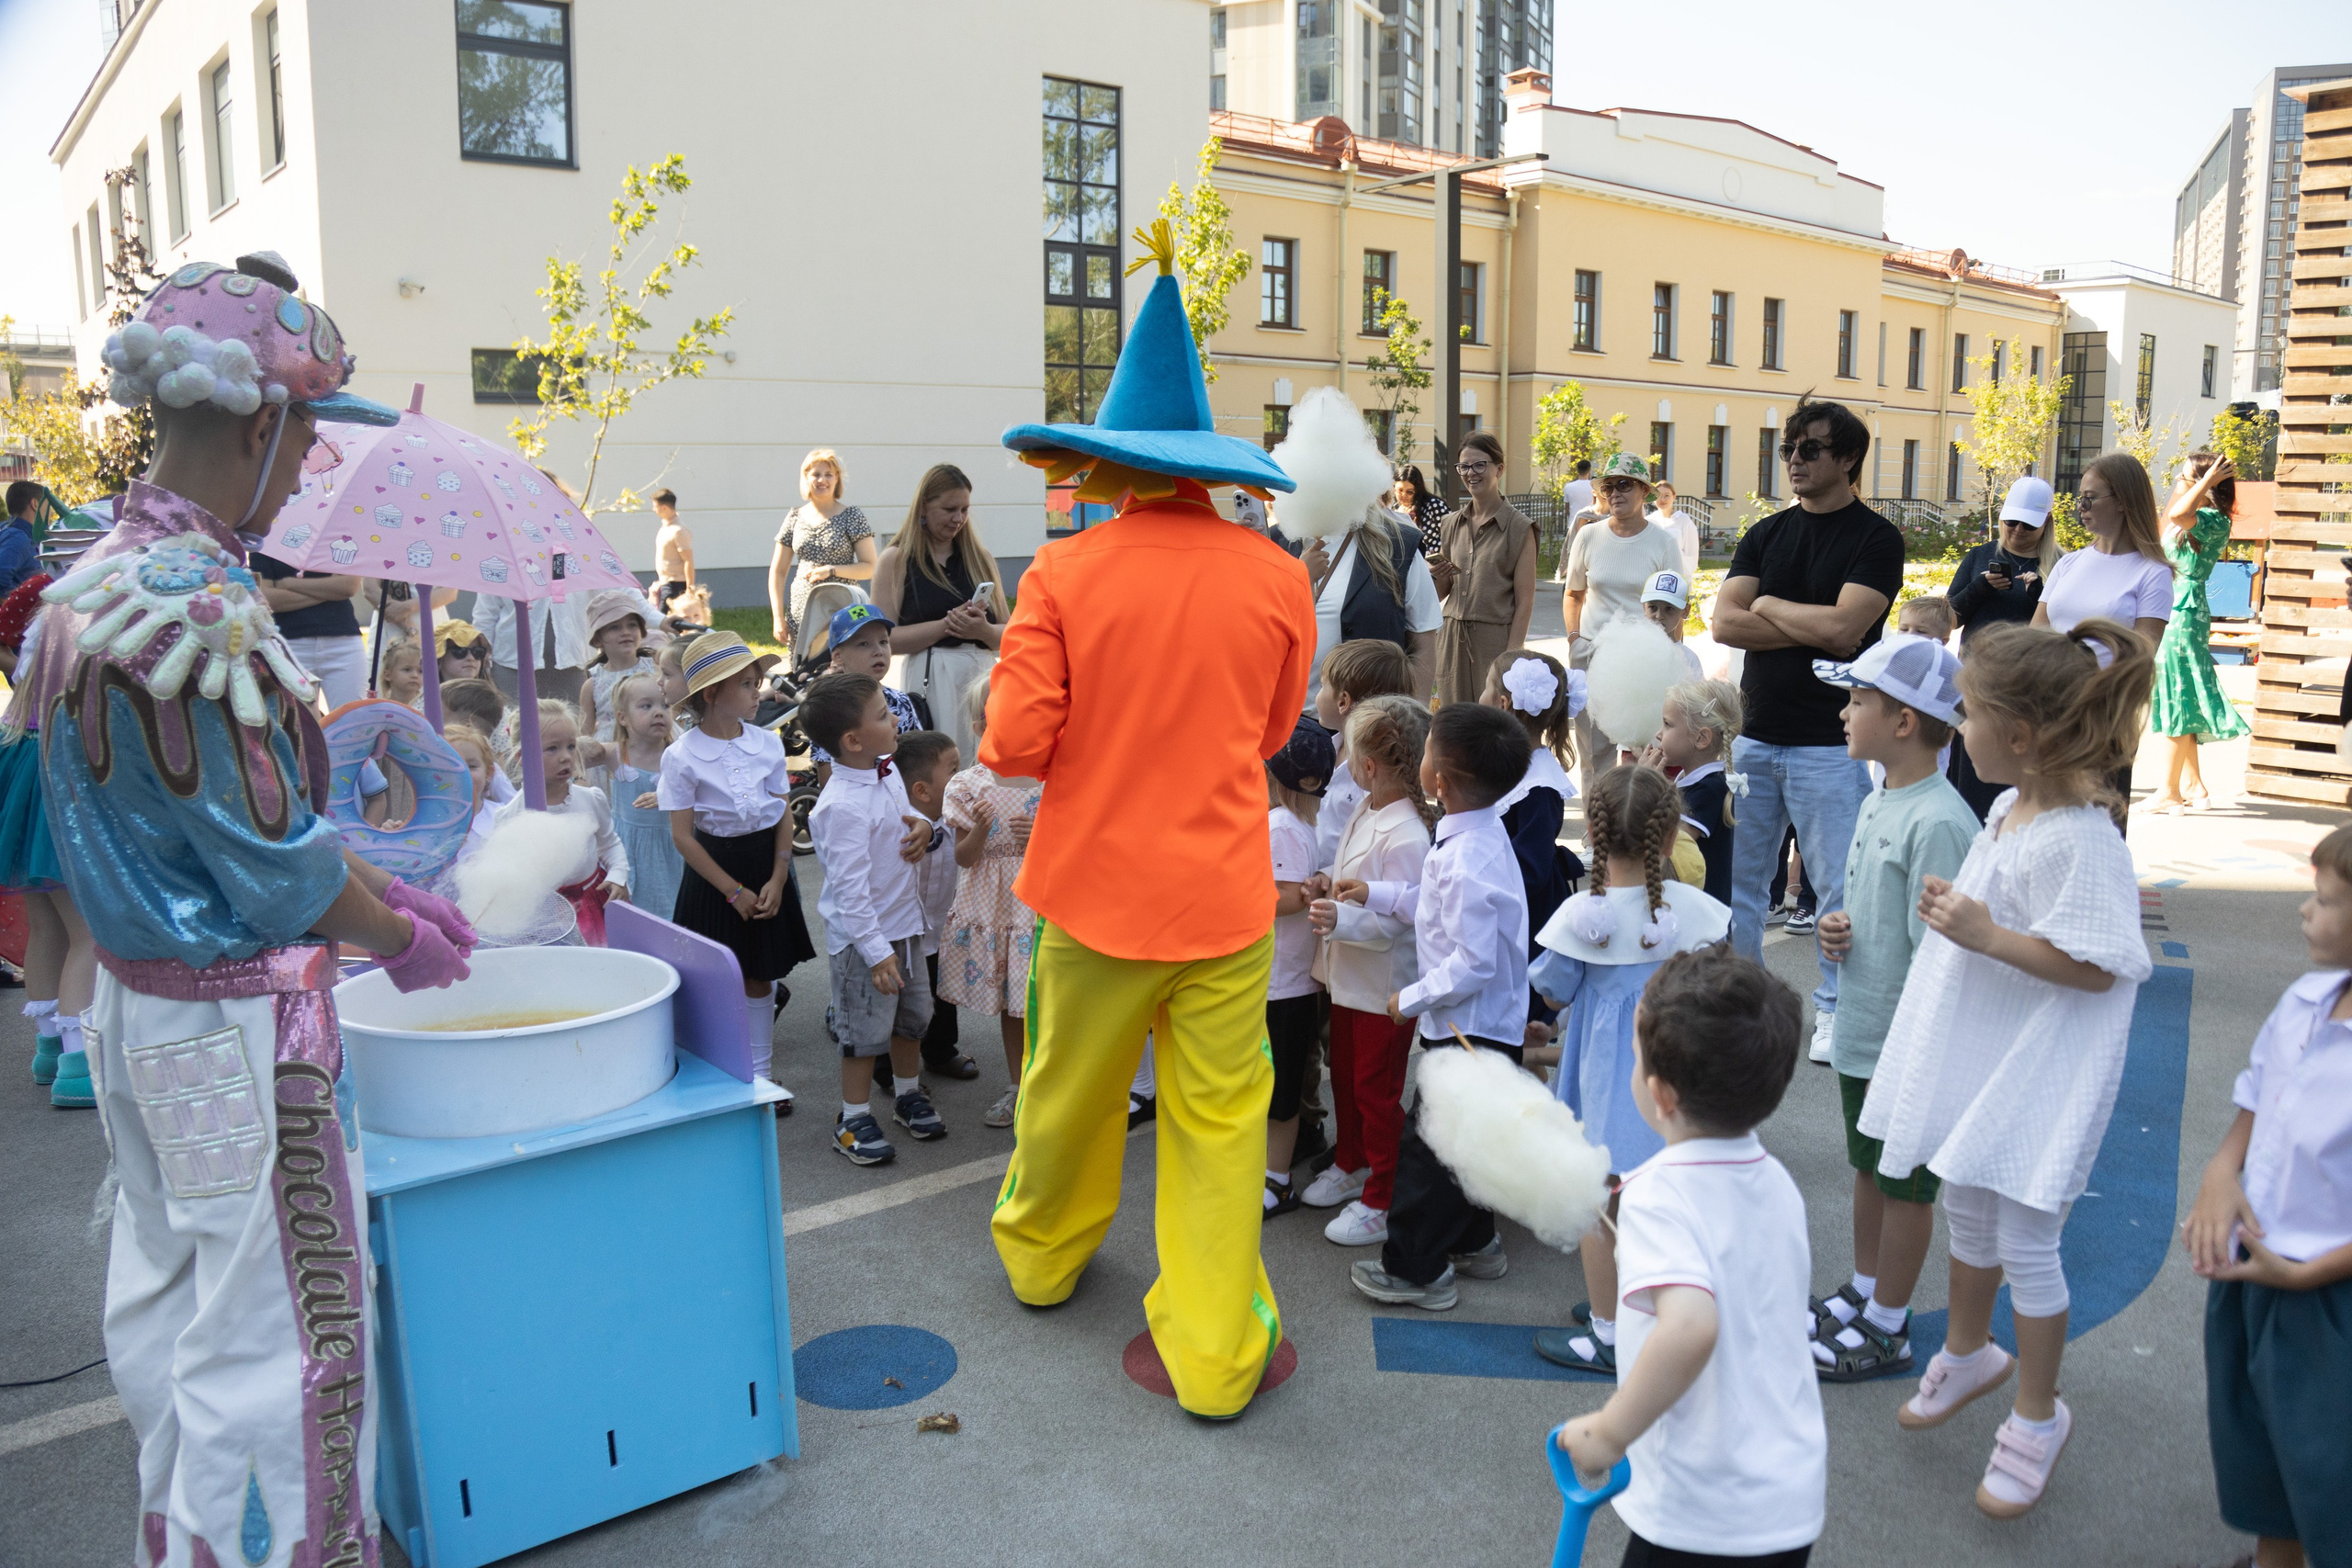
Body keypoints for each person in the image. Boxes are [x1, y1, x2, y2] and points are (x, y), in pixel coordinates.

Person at [28, 249, 472, 1568]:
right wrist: (403, 930)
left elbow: (204, 833)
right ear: (256, 417)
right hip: (240, 1034)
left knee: (171, 1312)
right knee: (288, 1335)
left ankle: (186, 1541)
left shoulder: (83, 584)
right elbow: (276, 869)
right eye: (306, 434)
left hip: (135, 1010)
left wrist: (370, 885)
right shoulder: (203, 610)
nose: (310, 468)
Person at [988, 234, 1314, 1419]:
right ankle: (1218, 1355)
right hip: (1225, 901)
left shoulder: (1064, 574)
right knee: (1219, 1126)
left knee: (1067, 1093)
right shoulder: (1276, 576)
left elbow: (1014, 746)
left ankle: (1041, 1258)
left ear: (1111, 463)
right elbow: (1275, 734)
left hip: (1092, 896)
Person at [1859, 618, 2156, 1519]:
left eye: (1970, 711)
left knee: (2026, 1241)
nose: (1959, 722)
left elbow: (2099, 962)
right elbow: (2006, 918)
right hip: (1992, 1050)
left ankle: (2035, 1414)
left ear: (2020, 736)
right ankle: (1969, 1351)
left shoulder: (2081, 837)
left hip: (2040, 1071)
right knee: (1970, 1210)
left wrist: (1986, 932)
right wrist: (1966, 912)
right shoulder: (2009, 807)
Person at [1555, 948, 1825, 1567]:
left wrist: (1608, 1432)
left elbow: (1691, 1325)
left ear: (1659, 1093)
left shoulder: (1656, 1194)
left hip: (1701, 1508)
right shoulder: (1777, 1181)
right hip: (1786, 1496)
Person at [1710, 397, 1904, 1066]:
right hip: (1756, 734)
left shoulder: (1876, 538)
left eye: (1811, 448)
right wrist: (1799, 618)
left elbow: (1847, 630)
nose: (1794, 459)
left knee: (1837, 887)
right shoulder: (1765, 534)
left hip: (1831, 739)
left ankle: (1835, 1012)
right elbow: (1723, 622)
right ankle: (1738, 1006)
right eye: (1789, 447)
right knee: (1739, 885)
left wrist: (1764, 603)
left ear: (1848, 458)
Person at [1807, 636, 1980, 1382]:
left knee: (1905, 1180)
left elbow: (1941, 955)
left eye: (1857, 700)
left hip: (1910, 1041)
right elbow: (1879, 911)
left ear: (1904, 720)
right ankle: (1867, 1287)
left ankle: (1889, 1324)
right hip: (1867, 1025)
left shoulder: (1939, 819)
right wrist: (1837, 931)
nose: (1845, 713)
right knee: (1869, 1168)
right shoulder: (1883, 794)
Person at [1524, 763, 1733, 1370]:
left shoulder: (1580, 917)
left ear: (1591, 830)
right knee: (1669, 1199)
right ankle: (1668, 1309)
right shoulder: (1695, 911)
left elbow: (1556, 990)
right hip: (1680, 1074)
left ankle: (1610, 1328)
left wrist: (1559, 1021)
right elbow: (1719, 981)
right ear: (1670, 838)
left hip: (1605, 1078)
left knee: (1604, 1201)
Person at [2185, 825, 2352, 1568]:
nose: (2305, 914)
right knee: (2263, 1459)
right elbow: (2255, 1105)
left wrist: (2311, 1274)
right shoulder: (2308, 998)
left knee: (2331, 1477)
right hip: (2258, 1277)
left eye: (2324, 902)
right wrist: (2222, 1173)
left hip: (2325, 1296)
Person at [1340, 704, 1535, 1310]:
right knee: (1468, 1143)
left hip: (1467, 1029)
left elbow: (1472, 962)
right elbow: (1433, 900)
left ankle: (1416, 1268)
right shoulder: (1473, 834)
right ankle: (1475, 1241)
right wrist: (1376, 892)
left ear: (1439, 780)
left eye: (1427, 753)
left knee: (1431, 1150)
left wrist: (1410, 997)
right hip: (1476, 1024)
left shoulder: (1468, 856)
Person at [658, 629, 818, 1100]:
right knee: (717, 975)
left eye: (756, 682)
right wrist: (732, 891)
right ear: (712, 694)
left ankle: (761, 1074)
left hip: (766, 864)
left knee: (760, 972)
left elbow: (782, 813)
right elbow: (684, 838)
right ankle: (725, 1069)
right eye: (747, 684)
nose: (758, 692)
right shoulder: (682, 756)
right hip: (716, 874)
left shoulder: (766, 745)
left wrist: (779, 873)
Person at [1301, 696, 1437, 1241]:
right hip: (1348, 979)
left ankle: (1384, 1194)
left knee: (1376, 1093)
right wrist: (1324, 885)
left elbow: (1400, 921)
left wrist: (1339, 919)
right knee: (1348, 1081)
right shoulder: (1367, 808)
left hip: (1382, 986)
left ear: (1370, 765)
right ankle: (1352, 1161)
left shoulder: (1407, 833)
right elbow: (1351, 878)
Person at [803, 671, 948, 1166]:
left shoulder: (884, 775)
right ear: (852, 740)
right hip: (867, 944)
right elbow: (848, 891)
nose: (894, 721)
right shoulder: (841, 806)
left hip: (905, 930)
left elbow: (912, 817)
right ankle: (853, 1116)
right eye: (884, 716)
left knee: (911, 1020)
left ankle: (907, 1094)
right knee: (863, 1033)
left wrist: (923, 828)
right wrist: (876, 951)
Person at [0, 570, 96, 1109]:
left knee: (46, 926)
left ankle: (49, 1051)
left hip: (19, 762)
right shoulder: (84, 625)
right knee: (88, 934)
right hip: (60, 773)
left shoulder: (40, 627)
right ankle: (79, 1067)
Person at [939, 675, 1044, 1130]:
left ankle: (1054, 1087)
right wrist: (981, 830)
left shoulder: (1051, 776)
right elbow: (963, 857)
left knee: (1052, 999)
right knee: (1012, 1005)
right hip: (998, 911)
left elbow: (1079, 841)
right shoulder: (968, 785)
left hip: (1042, 908)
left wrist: (1041, 837)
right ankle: (1019, 1086)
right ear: (981, 726)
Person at [873, 463, 1007, 765]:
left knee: (986, 764)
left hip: (982, 675)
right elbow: (883, 638)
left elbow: (1010, 633)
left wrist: (982, 631)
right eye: (949, 509)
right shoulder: (897, 559)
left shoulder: (980, 558)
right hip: (933, 677)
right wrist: (948, 626)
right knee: (942, 765)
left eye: (964, 509)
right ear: (924, 506)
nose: (958, 518)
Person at [1565, 454, 1683, 789]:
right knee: (1593, 753)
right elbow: (1573, 594)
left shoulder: (1663, 542)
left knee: (1648, 750)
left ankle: (1640, 830)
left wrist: (1675, 658)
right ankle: (1595, 835)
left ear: (1644, 490)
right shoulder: (1589, 536)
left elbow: (1675, 605)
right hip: (1592, 652)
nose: (1614, 493)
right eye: (1608, 486)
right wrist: (1575, 640)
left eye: (1625, 485)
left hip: (1644, 660)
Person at [1485, 649, 1586, 1027]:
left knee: (1520, 1018)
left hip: (1523, 914)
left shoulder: (1538, 785)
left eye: (1485, 688)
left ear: (1503, 702)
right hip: (1503, 904)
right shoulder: (1507, 765)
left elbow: (1531, 867)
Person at [2145, 452, 2250, 813]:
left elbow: (2177, 514)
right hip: (2173, 608)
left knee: (2176, 694)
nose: (2179, 478)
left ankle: (2169, 791)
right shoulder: (2194, 517)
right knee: (2180, 692)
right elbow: (2170, 521)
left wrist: (2204, 483)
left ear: (2208, 484)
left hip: (2184, 612)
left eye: (2186, 475)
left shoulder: (2213, 520)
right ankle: (2193, 787)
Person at [1262, 718, 1333, 1216]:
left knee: (1279, 1089)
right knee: (1279, 1085)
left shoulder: (1280, 827)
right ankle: (1272, 1172)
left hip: (1279, 982)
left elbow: (1286, 897)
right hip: (1289, 979)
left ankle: (1277, 1180)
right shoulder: (1305, 824)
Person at [889, 728, 981, 1089]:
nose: (962, 775)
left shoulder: (955, 820)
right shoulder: (903, 825)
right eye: (953, 769)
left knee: (941, 991)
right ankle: (888, 1067)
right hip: (901, 929)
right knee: (897, 1001)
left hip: (939, 927)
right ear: (921, 790)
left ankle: (941, 1050)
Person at [492, 699, 628, 942]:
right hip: (542, 917)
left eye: (571, 746)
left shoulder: (591, 799)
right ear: (523, 756)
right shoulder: (510, 817)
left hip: (593, 904)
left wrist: (617, 875)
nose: (566, 757)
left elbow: (609, 844)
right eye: (553, 748)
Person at [1300, 500, 1442, 706]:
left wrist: (1415, 718)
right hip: (1298, 719)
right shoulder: (1282, 540)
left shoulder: (1398, 545)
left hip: (1373, 720)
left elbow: (1424, 643)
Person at [1434, 431, 1539, 706]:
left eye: (1479, 465)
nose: (1471, 473)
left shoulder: (1519, 528)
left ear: (1499, 469)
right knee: (1453, 723)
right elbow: (1442, 592)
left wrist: (1511, 657)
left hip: (1495, 643)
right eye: (1464, 466)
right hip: (1452, 640)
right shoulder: (1450, 523)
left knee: (1491, 726)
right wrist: (1436, 576)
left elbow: (1525, 600)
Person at [1311, 638, 1418, 874]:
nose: (1317, 694)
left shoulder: (1376, 774)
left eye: (1322, 686)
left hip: (1345, 887)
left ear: (1343, 701)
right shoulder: (1327, 748)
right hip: (1310, 876)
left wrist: (1328, 875)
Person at [1645, 678, 1744, 906]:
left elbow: (1672, 846)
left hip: (1700, 916)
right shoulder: (1691, 780)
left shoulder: (1710, 789)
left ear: (1701, 738)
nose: (1659, 734)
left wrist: (1645, 787)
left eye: (1668, 725)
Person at [768, 447, 873, 648]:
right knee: (805, 672)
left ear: (837, 479)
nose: (821, 480)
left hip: (842, 608)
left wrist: (831, 570)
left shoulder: (852, 516)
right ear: (806, 478)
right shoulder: (794, 517)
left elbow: (870, 566)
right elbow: (778, 571)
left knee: (843, 669)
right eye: (816, 474)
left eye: (828, 475)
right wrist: (777, 617)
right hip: (802, 611)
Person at [606, 671, 684, 925]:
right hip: (628, 848)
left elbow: (704, 791)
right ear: (623, 718)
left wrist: (668, 796)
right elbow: (581, 750)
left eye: (665, 705)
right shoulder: (617, 753)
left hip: (670, 848)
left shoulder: (680, 755)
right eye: (646, 706)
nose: (659, 712)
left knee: (671, 912)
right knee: (632, 917)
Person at [249, 547, 365, 707]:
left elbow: (348, 586)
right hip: (289, 646)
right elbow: (267, 598)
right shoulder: (269, 541)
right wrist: (330, 593)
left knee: (352, 720)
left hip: (343, 642)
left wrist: (290, 584)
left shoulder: (339, 533)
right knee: (301, 725)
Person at [578, 589, 656, 773]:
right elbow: (585, 731)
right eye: (615, 627)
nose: (626, 632)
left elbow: (672, 712)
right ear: (598, 638)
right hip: (609, 762)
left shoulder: (655, 671)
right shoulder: (593, 683)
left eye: (632, 625)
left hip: (651, 753)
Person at [1642, 570, 1706, 684]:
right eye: (1653, 607)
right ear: (1644, 608)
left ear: (1685, 611)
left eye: (1669, 608)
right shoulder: (1635, 650)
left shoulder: (1689, 659)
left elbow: (1698, 699)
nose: (1659, 616)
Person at [650, 488, 695, 613]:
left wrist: (690, 588)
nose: (653, 510)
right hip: (665, 583)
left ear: (664, 508)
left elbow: (688, 561)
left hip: (676, 585)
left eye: (655, 506)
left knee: (663, 621)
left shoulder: (679, 531)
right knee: (666, 623)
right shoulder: (665, 528)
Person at [1392, 463, 1448, 558]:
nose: (1404, 495)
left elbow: (1451, 535)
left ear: (1417, 491)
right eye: (1400, 490)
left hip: (1435, 564)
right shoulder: (1395, 509)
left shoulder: (1434, 505)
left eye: (1409, 492)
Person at [1649, 479, 1701, 579]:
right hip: (1653, 577)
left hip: (1678, 577)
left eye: (1667, 495)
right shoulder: (1649, 521)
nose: (1662, 499)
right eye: (1659, 495)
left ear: (1674, 497)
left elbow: (1692, 554)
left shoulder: (1684, 521)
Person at [0, 480, 42, 594]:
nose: (51, 513)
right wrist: (17, 609)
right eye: (48, 506)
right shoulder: (18, 538)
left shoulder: (6, 530)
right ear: (35, 504)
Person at [433, 617, 492, 684]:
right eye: (460, 650)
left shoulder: (491, 694)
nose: (471, 658)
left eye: (478, 651)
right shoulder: (425, 694)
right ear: (439, 660)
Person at [377, 637, 425, 707]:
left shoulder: (428, 708)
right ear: (387, 675)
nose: (415, 675)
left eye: (420, 671)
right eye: (407, 670)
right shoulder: (382, 708)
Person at [1562, 458, 1596, 537]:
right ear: (1589, 470)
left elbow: (1567, 508)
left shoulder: (1568, 487)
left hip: (1573, 524)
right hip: (1591, 523)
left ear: (1577, 470)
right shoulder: (1593, 486)